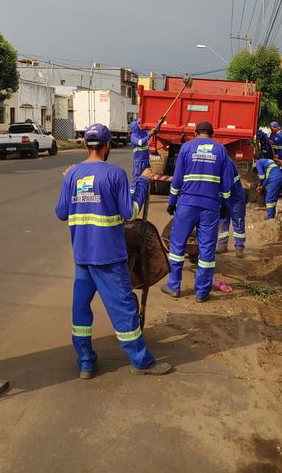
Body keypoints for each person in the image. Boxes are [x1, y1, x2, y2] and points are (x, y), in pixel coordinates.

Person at [55, 123, 171, 379]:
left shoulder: (72, 175)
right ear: (108, 146)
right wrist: (142, 182)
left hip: (82, 257)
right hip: (108, 257)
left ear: (85, 145)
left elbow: (61, 213)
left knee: (81, 310)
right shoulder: (115, 175)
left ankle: (85, 362)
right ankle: (141, 362)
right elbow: (130, 212)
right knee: (124, 309)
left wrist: (68, 183)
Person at [162, 121, 233, 302]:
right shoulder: (220, 150)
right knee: (207, 249)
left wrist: (172, 201)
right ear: (212, 134)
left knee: (177, 246)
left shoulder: (186, 148)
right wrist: (225, 203)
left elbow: (177, 179)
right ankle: (201, 293)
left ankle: (174, 286)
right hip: (210, 206)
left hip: (187, 204)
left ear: (195, 133)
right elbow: (226, 182)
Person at [216, 161, 246, 258]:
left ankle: (239, 247)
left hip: (235, 198)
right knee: (223, 221)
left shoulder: (226, 163)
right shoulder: (215, 162)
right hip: (224, 197)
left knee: (238, 221)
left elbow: (227, 183)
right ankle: (222, 245)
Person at [254, 154, 282, 219]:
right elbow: (267, 178)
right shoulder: (268, 161)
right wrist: (262, 186)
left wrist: (260, 184)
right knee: (273, 198)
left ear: (255, 160)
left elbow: (262, 176)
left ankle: (270, 218)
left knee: (269, 199)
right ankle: (273, 214)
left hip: (275, 179)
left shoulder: (259, 162)